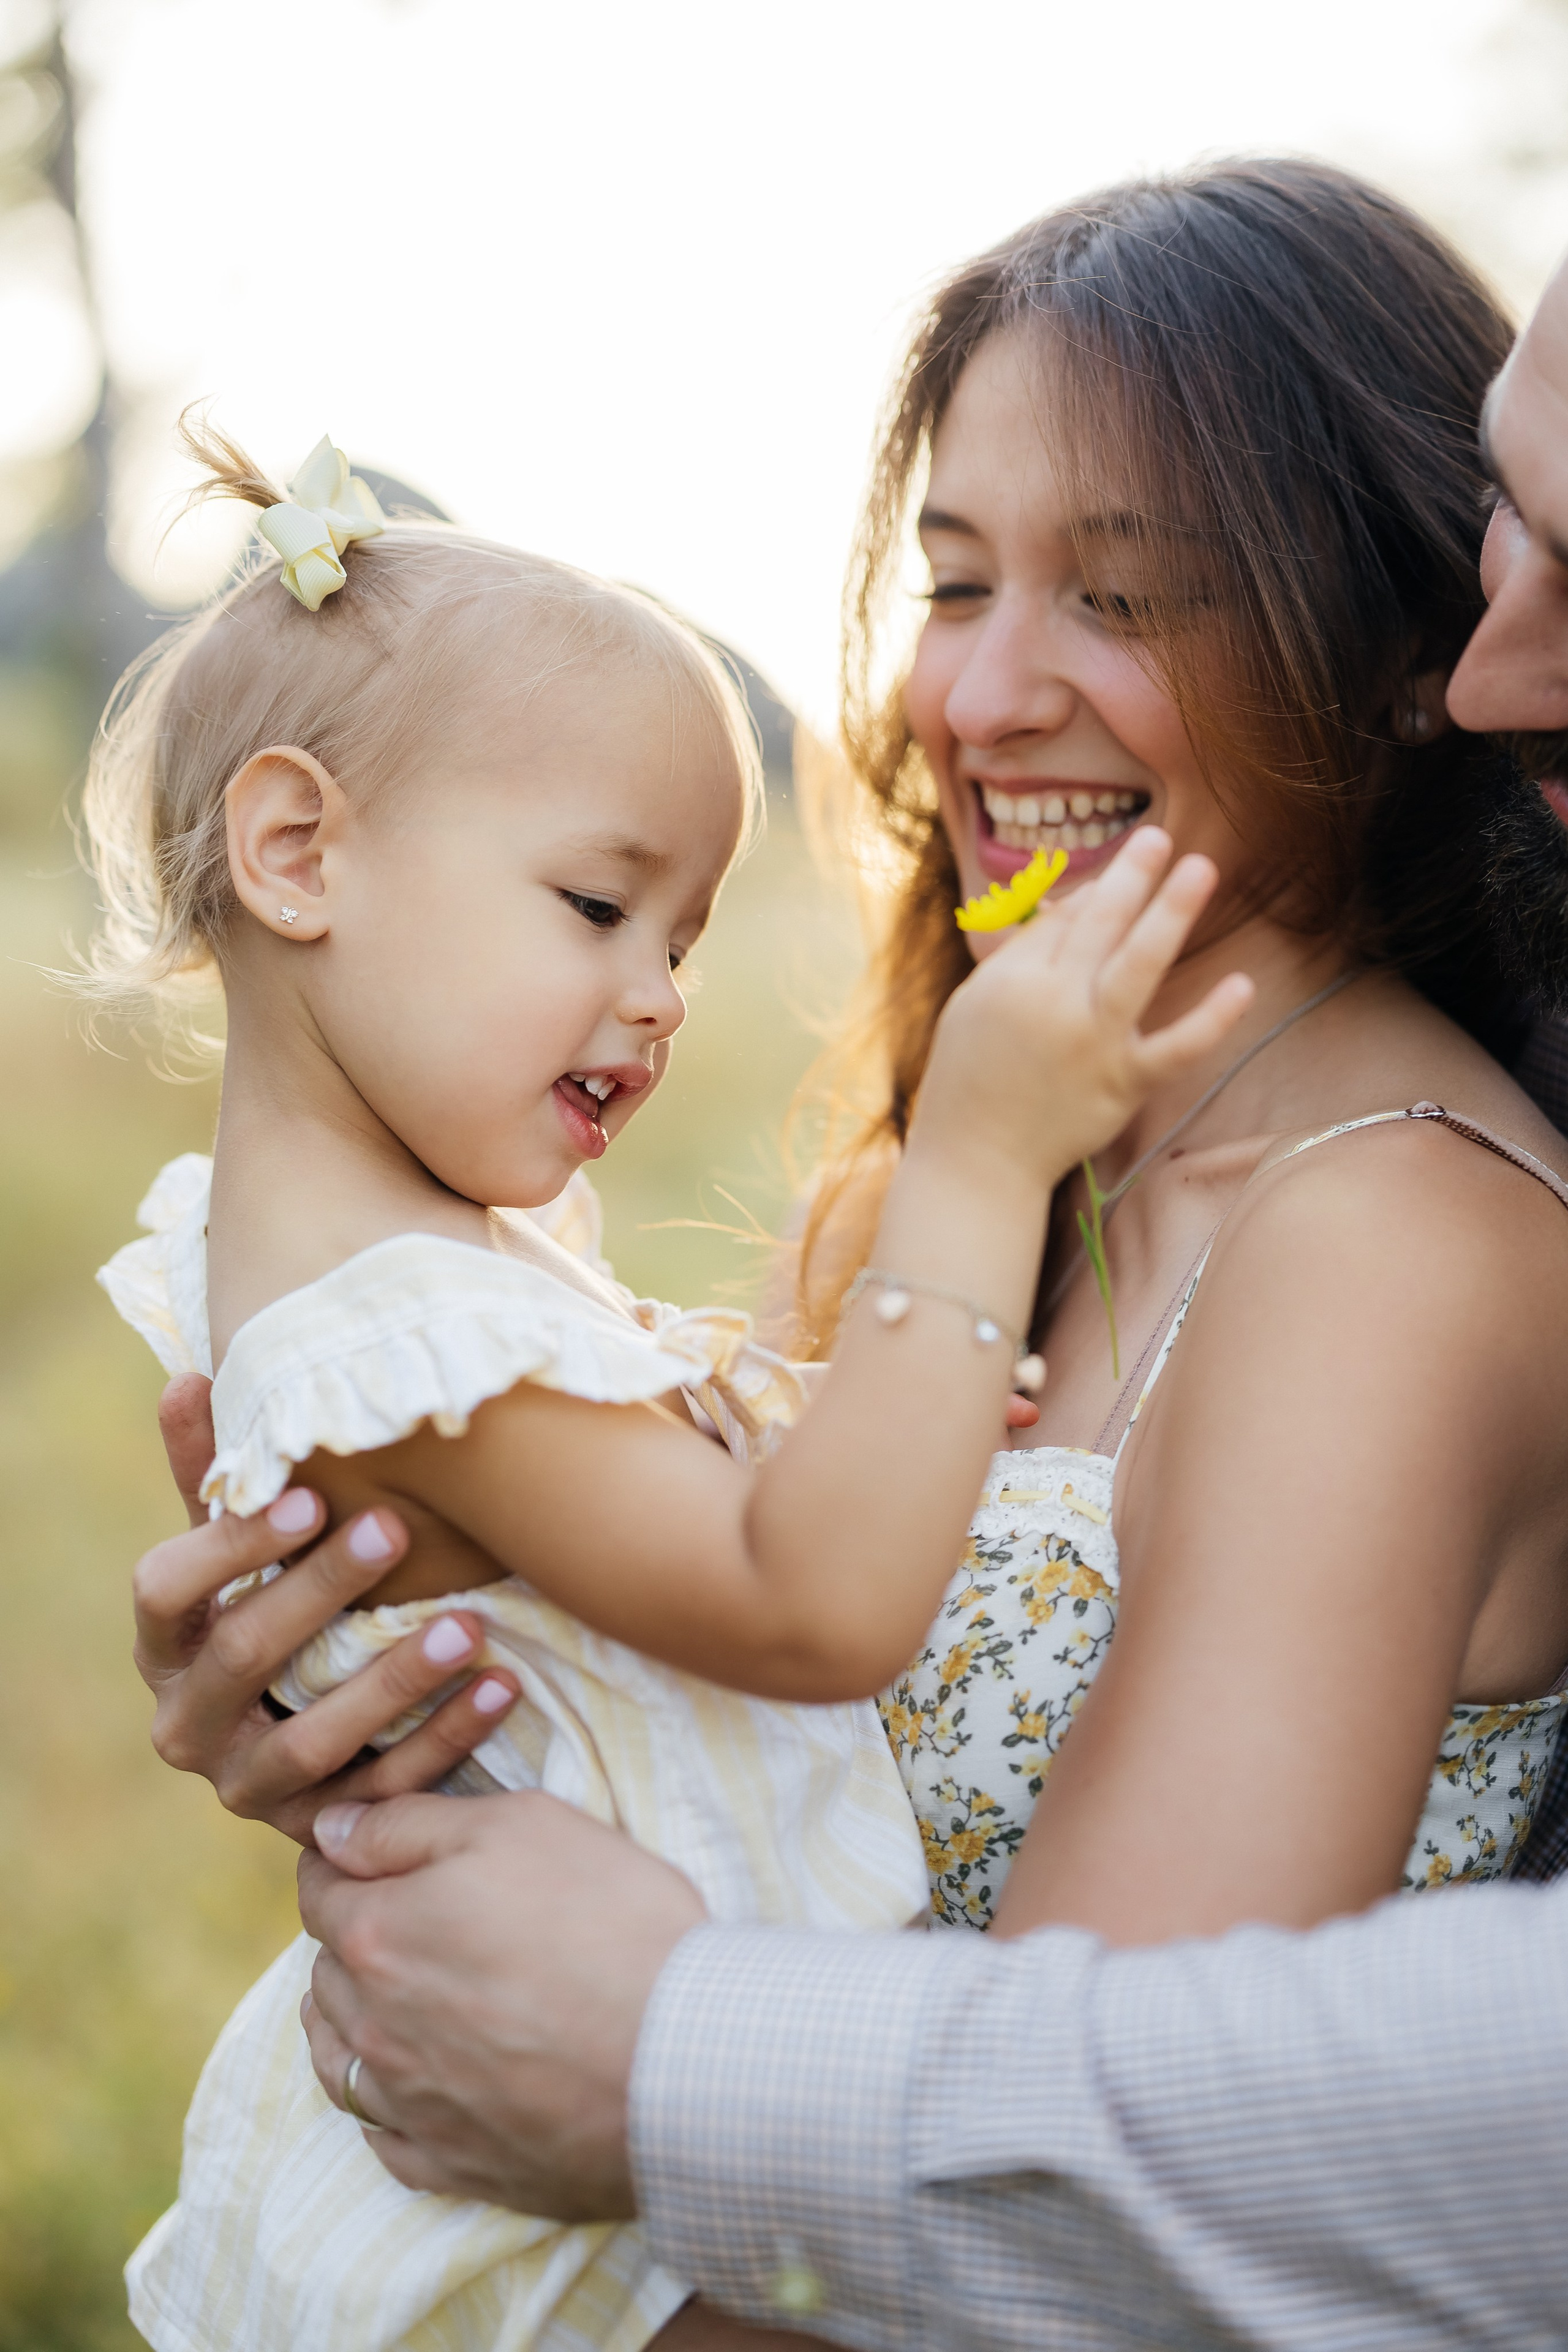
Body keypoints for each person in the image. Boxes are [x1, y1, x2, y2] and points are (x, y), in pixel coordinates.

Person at [126, 168, 1568, 2345]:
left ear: (1394, 669)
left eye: (1121, 597)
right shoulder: (1034, 1175)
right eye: (956, 581)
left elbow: (1077, 2199)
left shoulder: (1391, 1241)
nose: (974, 698)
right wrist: (416, 1701)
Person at [88, 418, 1247, 2352]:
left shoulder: (426, 1276)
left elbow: (663, 1524)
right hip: (577, 2256)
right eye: (596, 905)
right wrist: (973, 1172)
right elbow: (808, 1605)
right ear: (297, 855)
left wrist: (874, 1407)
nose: (661, 992)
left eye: (689, 935)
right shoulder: (399, 1346)